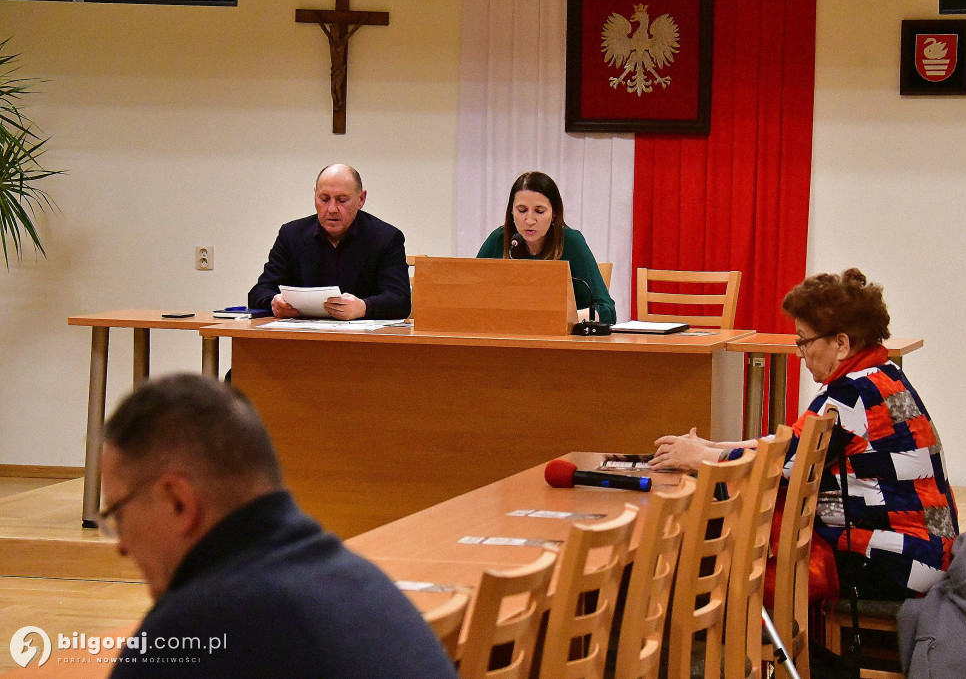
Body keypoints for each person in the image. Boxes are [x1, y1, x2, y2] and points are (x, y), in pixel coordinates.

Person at [100, 373, 457, 678]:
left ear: (178, 501)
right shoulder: (358, 578)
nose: (121, 546)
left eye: (118, 514)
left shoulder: (195, 631)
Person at [649, 269, 958, 600]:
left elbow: (776, 467)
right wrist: (711, 447)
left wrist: (698, 457)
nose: (799, 353)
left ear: (840, 343)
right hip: (928, 550)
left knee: (726, 561)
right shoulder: (882, 375)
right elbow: (791, 446)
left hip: (897, 560)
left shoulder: (849, 395)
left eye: (804, 341)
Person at [248, 164, 412, 320]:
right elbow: (259, 291)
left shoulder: (386, 238)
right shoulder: (291, 235)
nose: (332, 209)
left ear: (361, 199)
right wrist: (274, 302)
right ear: (315, 197)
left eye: (342, 200)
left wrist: (364, 307)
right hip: (303, 339)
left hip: (363, 341)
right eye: (324, 199)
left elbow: (400, 300)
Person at [476, 171, 616, 324]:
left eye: (539, 211)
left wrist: (564, 318)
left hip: (561, 341)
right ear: (511, 211)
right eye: (522, 210)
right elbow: (469, 298)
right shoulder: (499, 240)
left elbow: (607, 311)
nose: (529, 220)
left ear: (554, 213)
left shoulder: (570, 242)